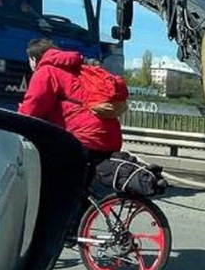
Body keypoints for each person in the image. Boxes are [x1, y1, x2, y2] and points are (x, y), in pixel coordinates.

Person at [17, 39, 124, 185]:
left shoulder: (46, 71)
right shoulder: (79, 68)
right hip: (110, 137)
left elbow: (32, 107)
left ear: (34, 58)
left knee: (48, 179)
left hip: (86, 139)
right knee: (79, 187)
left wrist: (16, 120)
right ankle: (86, 206)